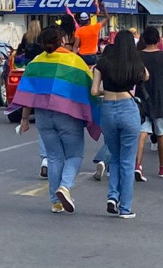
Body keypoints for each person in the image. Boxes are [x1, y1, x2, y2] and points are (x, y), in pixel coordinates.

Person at [16, 27, 100, 214]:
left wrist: (24, 119)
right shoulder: (74, 61)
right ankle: (65, 186)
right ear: (62, 40)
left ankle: (56, 202)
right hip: (68, 115)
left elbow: (28, 94)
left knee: (53, 157)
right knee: (74, 155)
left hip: (43, 116)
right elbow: (87, 89)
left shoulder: (35, 63)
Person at [91, 30, 149, 219]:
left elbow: (94, 91)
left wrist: (106, 90)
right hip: (128, 109)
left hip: (108, 109)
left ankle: (112, 197)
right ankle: (125, 207)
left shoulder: (103, 64)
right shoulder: (135, 63)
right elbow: (146, 76)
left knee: (114, 157)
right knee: (127, 161)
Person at [137, 27, 163, 179]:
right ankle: (162, 167)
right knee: (161, 134)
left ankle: (138, 165)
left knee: (142, 133)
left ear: (143, 39)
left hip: (141, 100)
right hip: (161, 100)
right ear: (159, 40)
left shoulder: (137, 56)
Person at [75, 0, 108, 66]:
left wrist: (75, 57)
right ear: (89, 20)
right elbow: (106, 18)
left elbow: (76, 47)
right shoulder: (95, 27)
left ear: (81, 21)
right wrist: (103, 7)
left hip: (82, 57)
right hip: (93, 56)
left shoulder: (78, 31)